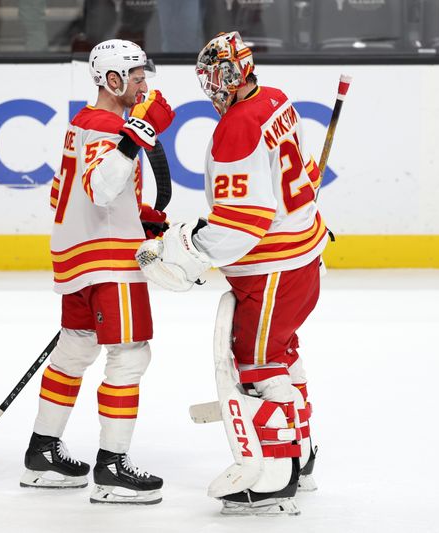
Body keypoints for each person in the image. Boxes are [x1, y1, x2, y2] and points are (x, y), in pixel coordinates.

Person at [136, 31, 325, 516]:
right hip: (303, 259)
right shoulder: (277, 99)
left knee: (257, 364)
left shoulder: (236, 128)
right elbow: (291, 176)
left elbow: (244, 222)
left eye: (212, 77)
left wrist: (188, 250)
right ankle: (298, 452)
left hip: (273, 270)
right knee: (281, 352)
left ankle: (273, 476)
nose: (210, 88)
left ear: (227, 75)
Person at [20, 39, 174, 505]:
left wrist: (137, 212)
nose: (145, 86)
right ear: (112, 80)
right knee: (129, 357)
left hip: (77, 256)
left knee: (75, 350)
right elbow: (101, 188)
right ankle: (112, 468)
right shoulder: (110, 127)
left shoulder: (81, 124)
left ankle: (42, 450)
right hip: (109, 262)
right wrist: (138, 133)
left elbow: (64, 196)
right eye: (137, 78)